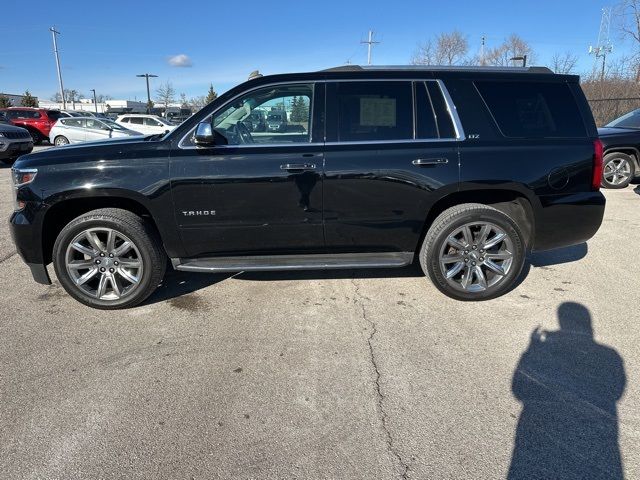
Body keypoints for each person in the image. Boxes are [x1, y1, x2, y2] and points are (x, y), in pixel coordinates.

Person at [509, 302, 626, 479]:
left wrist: (532, 348)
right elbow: (617, 391)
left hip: (539, 428)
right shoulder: (610, 354)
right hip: (595, 437)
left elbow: (518, 389)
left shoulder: (544, 346)